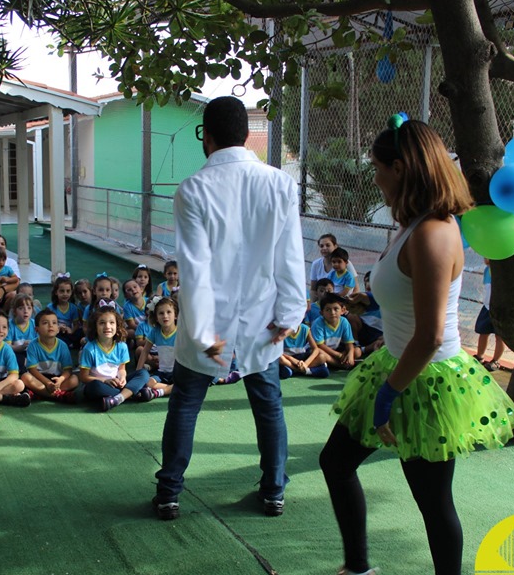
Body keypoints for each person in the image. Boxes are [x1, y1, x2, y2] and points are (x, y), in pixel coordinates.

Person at [302, 117, 514, 575]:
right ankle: (357, 573)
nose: (374, 178)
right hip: (397, 363)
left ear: (401, 168)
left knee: (431, 496)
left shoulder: (435, 232)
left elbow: (428, 334)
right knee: (336, 460)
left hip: (423, 376)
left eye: (378, 169)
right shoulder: (412, 223)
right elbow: (399, 290)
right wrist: (363, 299)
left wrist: (389, 393)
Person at [152, 96, 306, 521]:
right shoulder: (279, 184)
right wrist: (289, 316)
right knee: (269, 405)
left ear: (208, 137)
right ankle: (274, 490)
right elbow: (290, 255)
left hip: (210, 324)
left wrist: (203, 335)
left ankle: (169, 493)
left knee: (185, 404)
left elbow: (195, 271)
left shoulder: (193, 189)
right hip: (264, 322)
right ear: (246, 135)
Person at [79, 305, 150, 412]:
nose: (107, 326)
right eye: (102, 323)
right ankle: (132, 394)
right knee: (94, 387)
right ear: (95, 326)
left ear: (117, 326)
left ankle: (118, 398)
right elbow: (84, 377)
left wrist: (122, 378)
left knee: (143, 373)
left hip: (117, 385)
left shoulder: (121, 346)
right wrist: (105, 380)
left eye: (112, 322)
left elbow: (121, 369)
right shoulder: (89, 348)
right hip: (100, 384)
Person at [22, 309, 79, 403]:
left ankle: (41, 394)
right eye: (45, 323)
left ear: (58, 329)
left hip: (57, 380)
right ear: (37, 329)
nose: (50, 325)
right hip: (40, 379)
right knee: (25, 377)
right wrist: (47, 383)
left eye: (54, 323)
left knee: (74, 380)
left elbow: (67, 370)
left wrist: (60, 379)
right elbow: (32, 370)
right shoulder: (33, 345)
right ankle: (57, 395)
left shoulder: (62, 345)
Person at [136, 295, 178, 401]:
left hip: (178, 372)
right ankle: (170, 389)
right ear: (156, 317)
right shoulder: (155, 331)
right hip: (162, 372)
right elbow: (145, 351)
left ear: (176, 315)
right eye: (161, 313)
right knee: (147, 383)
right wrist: (138, 371)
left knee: (186, 385)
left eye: (169, 312)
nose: (165, 316)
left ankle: (159, 392)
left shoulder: (181, 332)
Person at [309, 292, 359, 369]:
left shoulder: (344, 322)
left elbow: (349, 343)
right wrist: (338, 355)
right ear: (321, 313)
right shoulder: (318, 323)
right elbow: (320, 345)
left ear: (343, 310)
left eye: (336, 309)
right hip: (322, 350)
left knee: (357, 351)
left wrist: (350, 354)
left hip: (336, 350)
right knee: (320, 353)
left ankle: (343, 362)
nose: (332, 313)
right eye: (328, 310)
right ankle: (339, 365)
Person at [474, 260, 505, 371]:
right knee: (483, 332)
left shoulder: (503, 269)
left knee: (500, 336)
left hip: (501, 308)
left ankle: (496, 361)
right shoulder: (488, 270)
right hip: (487, 307)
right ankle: (480, 356)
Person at [48, 275, 80, 349]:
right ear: (56, 292)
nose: (65, 294)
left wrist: (71, 330)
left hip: (68, 332)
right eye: (62, 291)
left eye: (68, 291)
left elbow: (76, 324)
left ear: (71, 292)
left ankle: (68, 343)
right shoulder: (51, 307)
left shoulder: (73, 308)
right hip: (56, 331)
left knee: (79, 333)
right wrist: (57, 327)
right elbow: (49, 323)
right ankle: (66, 344)